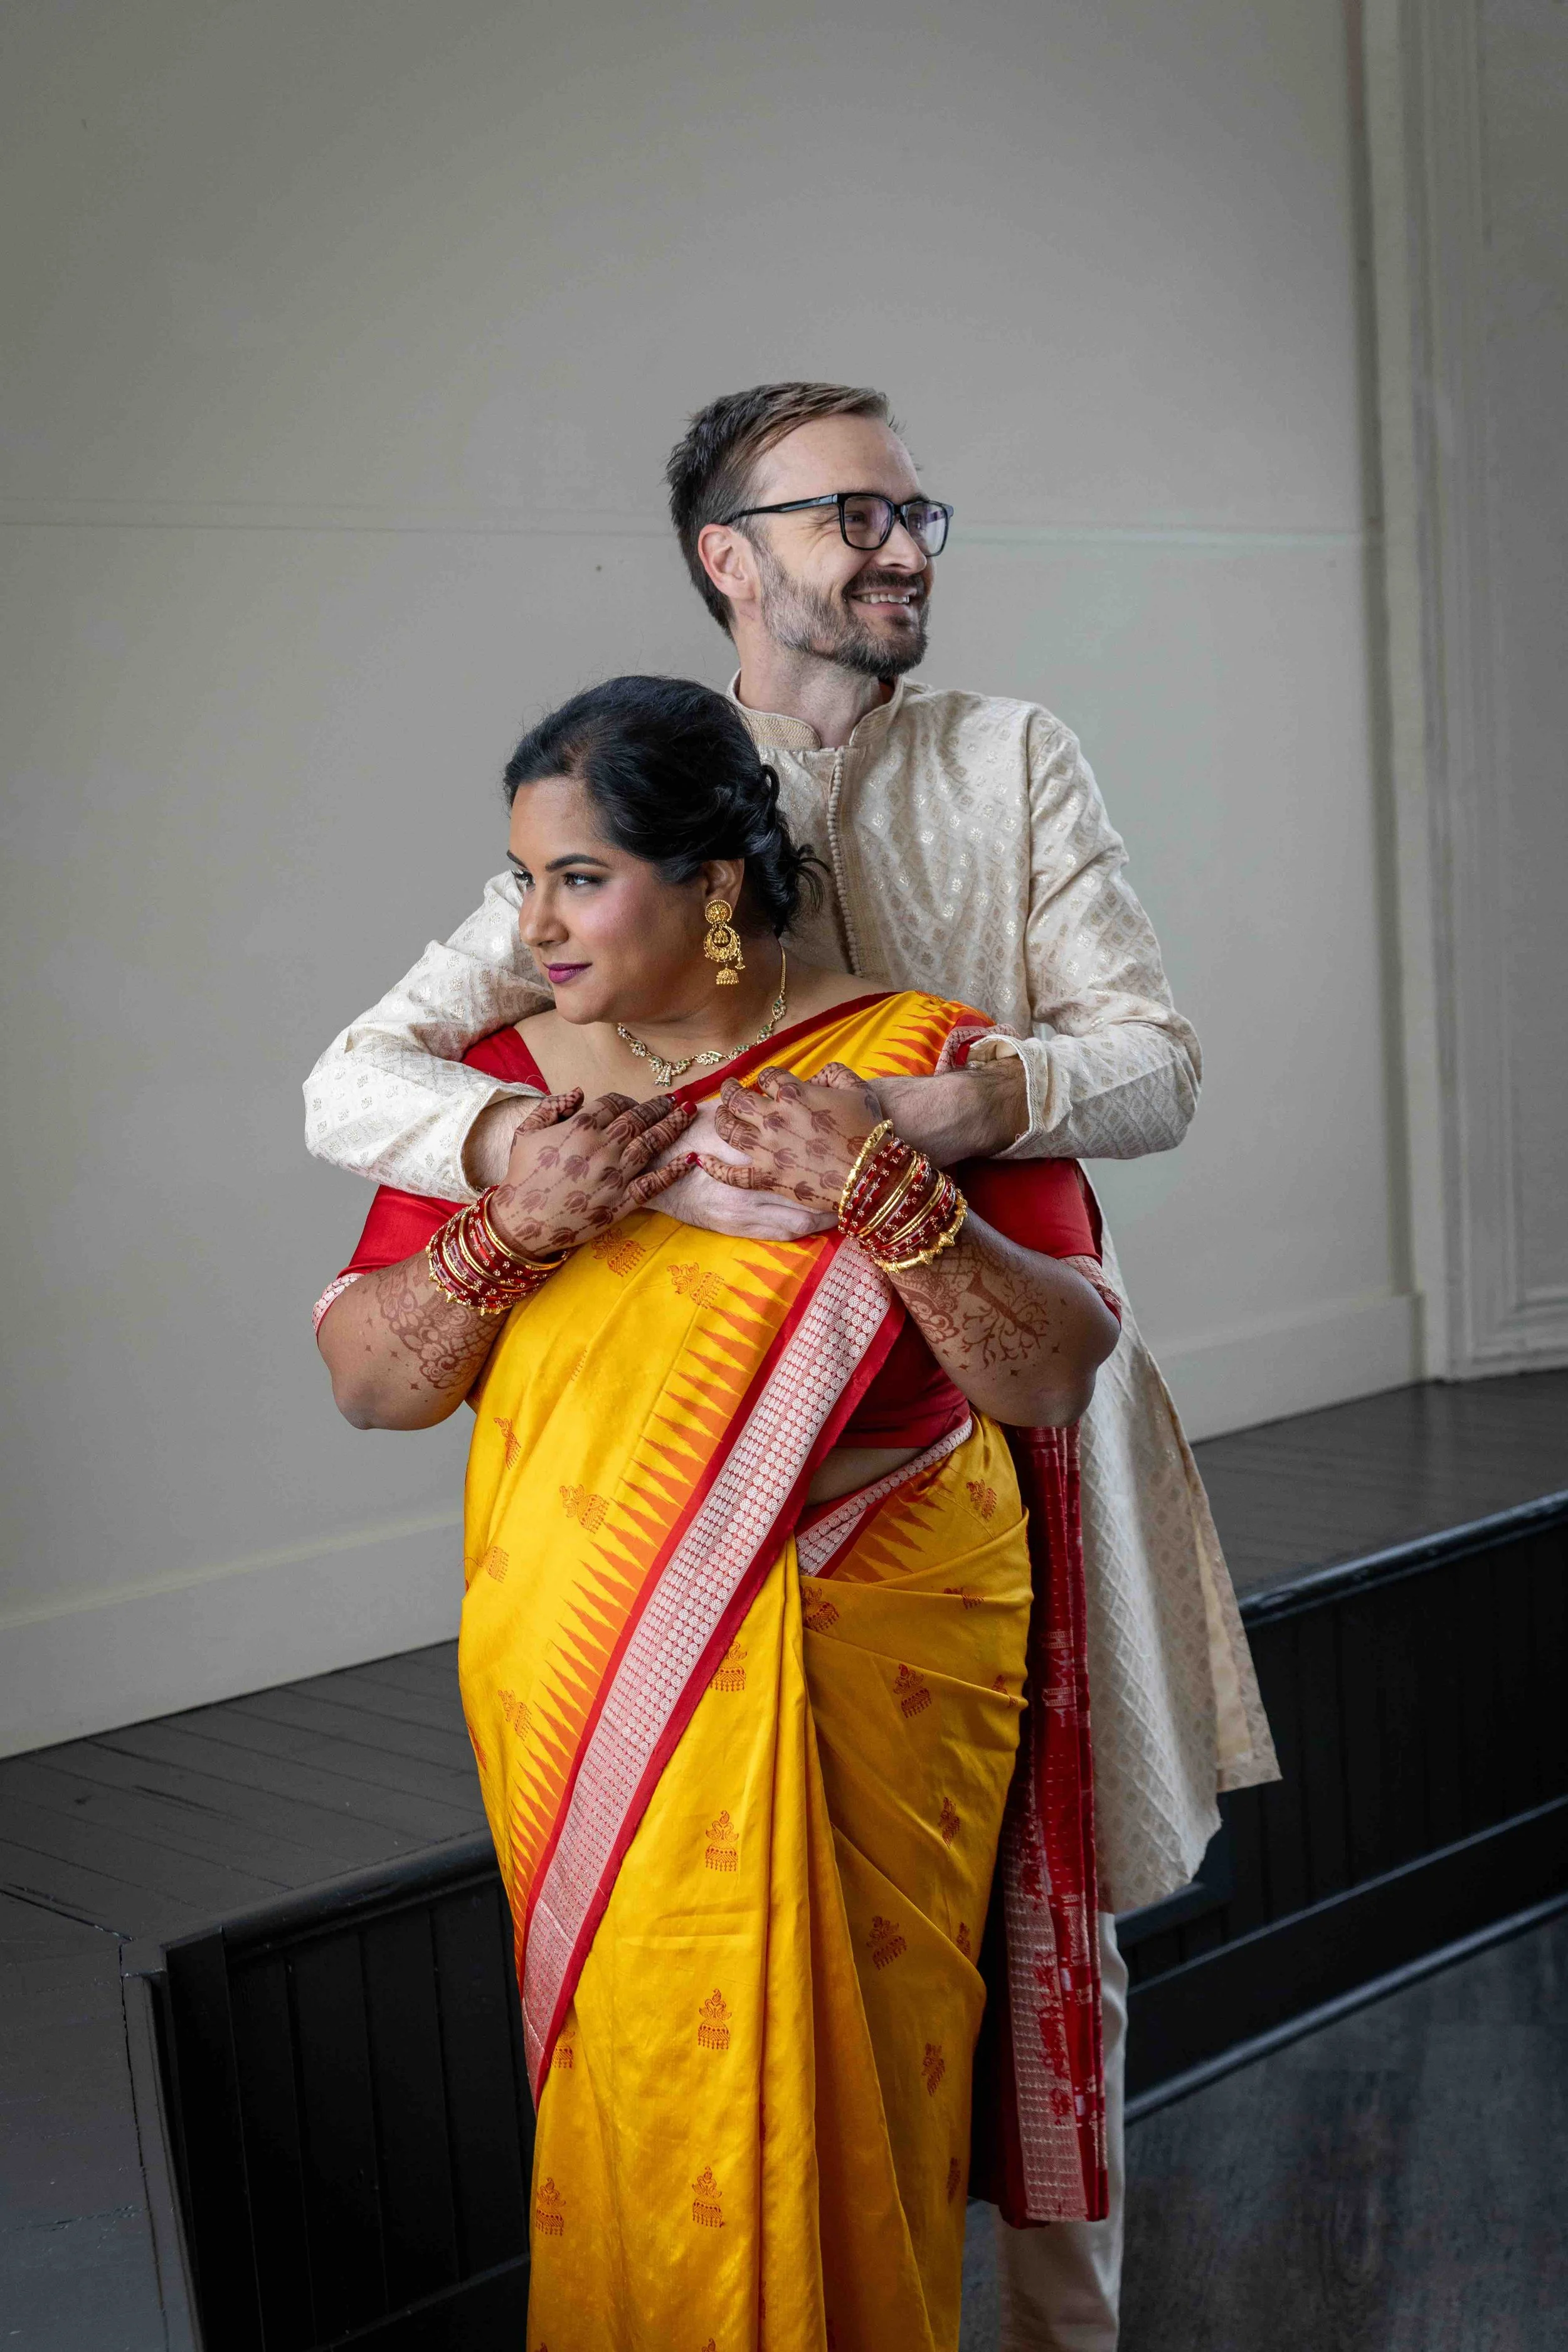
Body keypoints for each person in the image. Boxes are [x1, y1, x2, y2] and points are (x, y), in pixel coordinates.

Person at [304, 383, 1278, 2351]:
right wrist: (520, 1171)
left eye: (918, 506)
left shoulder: (1007, 762)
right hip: (640, 1580)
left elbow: (1152, 1063)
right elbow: (360, 1076)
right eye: (852, 513)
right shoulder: (627, 790)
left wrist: (917, 1121)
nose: (903, 541)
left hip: (973, 1447)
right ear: (727, 557)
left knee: (1039, 1927)